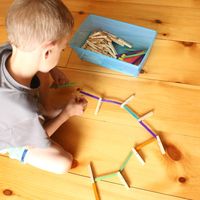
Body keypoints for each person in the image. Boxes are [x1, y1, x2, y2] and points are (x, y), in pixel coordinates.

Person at [0, 0, 87, 174]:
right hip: (9, 132)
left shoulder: (8, 48)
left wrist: (52, 69)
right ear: (47, 52)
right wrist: (66, 113)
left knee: (42, 72)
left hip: (13, 115)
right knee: (63, 163)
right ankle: (17, 151)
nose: (62, 53)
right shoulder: (24, 111)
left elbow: (37, 57)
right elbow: (43, 136)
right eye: (62, 50)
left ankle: (46, 109)